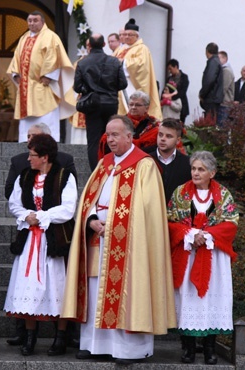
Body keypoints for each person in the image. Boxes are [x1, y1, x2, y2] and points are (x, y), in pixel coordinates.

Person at [61, 115, 176, 365]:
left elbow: (148, 212)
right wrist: (91, 219)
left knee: (128, 292)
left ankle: (128, 350)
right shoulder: (104, 164)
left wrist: (112, 225)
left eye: (115, 135)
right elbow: (88, 200)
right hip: (97, 241)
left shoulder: (144, 165)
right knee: (95, 292)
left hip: (131, 247)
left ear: (129, 136)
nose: (109, 139)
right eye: (107, 135)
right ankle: (95, 345)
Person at [3, 134, 77, 356]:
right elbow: (14, 204)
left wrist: (42, 217)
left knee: (57, 285)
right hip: (29, 243)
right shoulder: (25, 176)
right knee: (29, 286)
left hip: (54, 241)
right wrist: (27, 216)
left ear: (44, 157)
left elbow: (68, 208)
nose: (28, 159)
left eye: (32, 155)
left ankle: (60, 339)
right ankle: (30, 337)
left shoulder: (65, 176)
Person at [167, 151, 238, 365]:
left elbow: (231, 223)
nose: (196, 173)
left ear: (212, 173)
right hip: (187, 255)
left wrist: (207, 235)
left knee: (211, 299)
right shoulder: (180, 193)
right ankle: (188, 348)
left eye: (201, 169)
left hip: (214, 257)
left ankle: (209, 349)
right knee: (187, 297)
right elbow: (170, 221)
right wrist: (190, 235)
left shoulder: (223, 195)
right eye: (193, 168)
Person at [7, 11, 76, 143]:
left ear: (42, 22)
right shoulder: (24, 38)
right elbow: (17, 57)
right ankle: (24, 142)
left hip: (44, 85)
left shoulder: (50, 37)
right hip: (26, 88)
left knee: (46, 117)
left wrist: (49, 75)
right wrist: (16, 74)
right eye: (30, 20)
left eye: (35, 20)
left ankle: (48, 142)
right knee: (26, 122)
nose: (32, 23)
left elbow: (54, 57)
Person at [74, 33, 127, 170]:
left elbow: (77, 87)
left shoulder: (82, 63)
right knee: (111, 136)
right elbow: (123, 84)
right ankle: (111, 167)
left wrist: (89, 89)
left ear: (89, 45)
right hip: (110, 103)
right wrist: (110, 87)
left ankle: (95, 171)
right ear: (104, 44)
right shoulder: (114, 61)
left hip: (92, 104)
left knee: (93, 141)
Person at [115, 18, 162, 120]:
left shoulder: (142, 48)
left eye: (130, 35)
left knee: (133, 109)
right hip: (120, 86)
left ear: (136, 36)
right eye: (125, 34)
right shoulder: (121, 49)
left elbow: (141, 65)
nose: (126, 37)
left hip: (133, 84)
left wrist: (123, 62)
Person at [151, 119, 191, 203]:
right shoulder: (147, 160)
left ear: (178, 140)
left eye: (168, 136)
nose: (163, 139)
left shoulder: (187, 164)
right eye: (160, 135)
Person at [199, 42, 223, 122]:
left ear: (207, 51)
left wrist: (202, 94)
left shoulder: (213, 62)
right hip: (215, 97)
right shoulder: (217, 61)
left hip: (211, 98)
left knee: (210, 123)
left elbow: (209, 80)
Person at [167, 59, 190, 123]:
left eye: (170, 69)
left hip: (182, 105)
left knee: (180, 126)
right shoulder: (169, 79)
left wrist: (172, 97)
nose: (169, 71)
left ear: (176, 67)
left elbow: (183, 91)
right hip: (171, 107)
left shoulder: (184, 77)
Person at [217, 51, 234, 126]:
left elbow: (223, 88)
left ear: (225, 59)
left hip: (224, 104)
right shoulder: (223, 70)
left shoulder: (226, 71)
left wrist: (215, 98)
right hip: (223, 103)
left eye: (218, 58)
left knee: (221, 128)